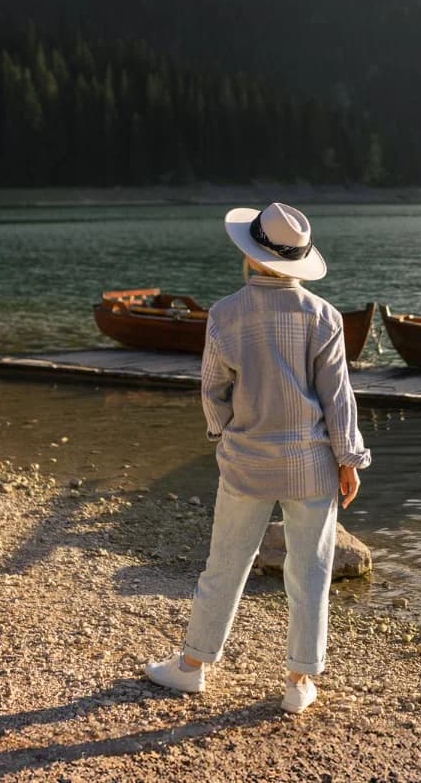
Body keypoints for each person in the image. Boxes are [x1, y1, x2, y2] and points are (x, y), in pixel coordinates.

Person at [145, 202, 370, 714]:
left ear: (251, 255)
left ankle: (193, 667)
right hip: (311, 464)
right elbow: (339, 398)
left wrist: (226, 435)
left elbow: (212, 390)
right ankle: (298, 682)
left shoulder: (225, 314)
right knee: (309, 571)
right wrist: (348, 459)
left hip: (246, 462)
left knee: (224, 566)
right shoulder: (324, 317)